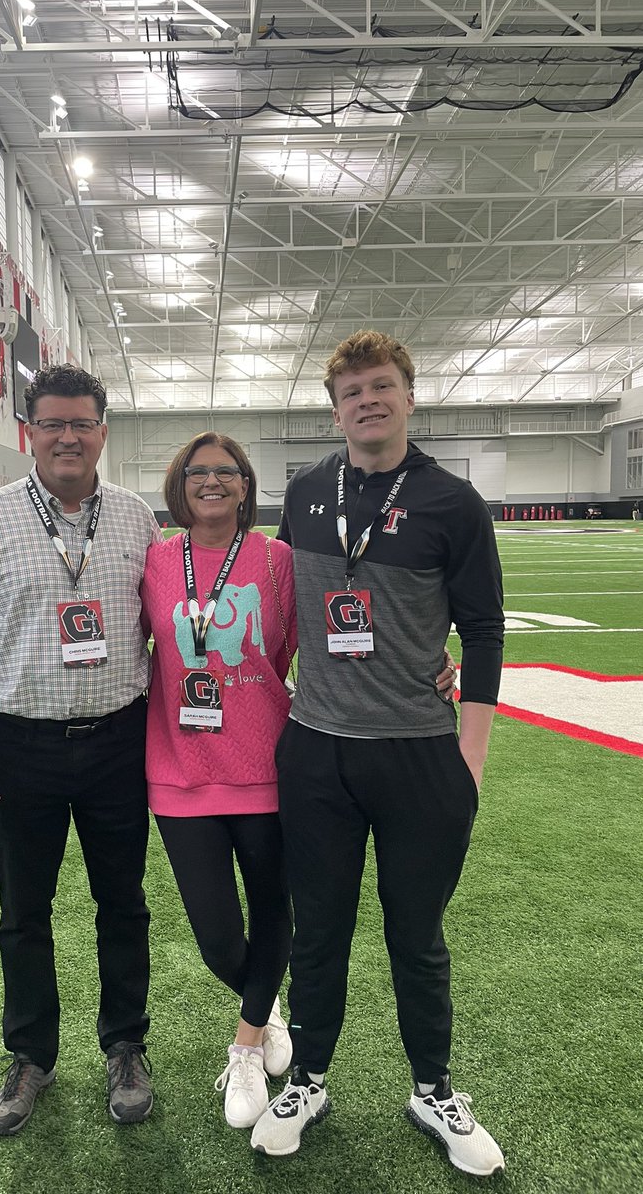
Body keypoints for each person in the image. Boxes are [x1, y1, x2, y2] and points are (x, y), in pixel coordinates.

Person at [251, 330, 506, 1178]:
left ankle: (431, 1087)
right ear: (336, 408)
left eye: (382, 385)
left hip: (419, 755)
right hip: (319, 751)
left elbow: (484, 627)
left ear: (407, 395)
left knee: (417, 935)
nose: (368, 399)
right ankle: (310, 1079)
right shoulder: (304, 491)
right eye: (353, 389)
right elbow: (289, 606)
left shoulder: (451, 502)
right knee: (317, 932)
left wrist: (469, 753)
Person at [0, 364, 160, 1135]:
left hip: (121, 742)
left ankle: (125, 1045)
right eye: (53, 423)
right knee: (23, 911)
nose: (68, 436)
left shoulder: (134, 518)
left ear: (102, 431)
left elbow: (175, 627)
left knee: (121, 904)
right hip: (22, 745)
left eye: (82, 422)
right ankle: (31, 1055)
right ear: (29, 432)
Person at [141, 433, 297, 1130]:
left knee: (272, 916)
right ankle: (264, 1009)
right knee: (217, 937)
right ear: (180, 485)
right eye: (197, 472)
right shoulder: (154, 560)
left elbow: (293, 648)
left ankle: (245, 1042)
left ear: (244, 484)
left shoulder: (275, 559)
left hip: (265, 767)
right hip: (180, 771)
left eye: (225, 472)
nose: (211, 482)